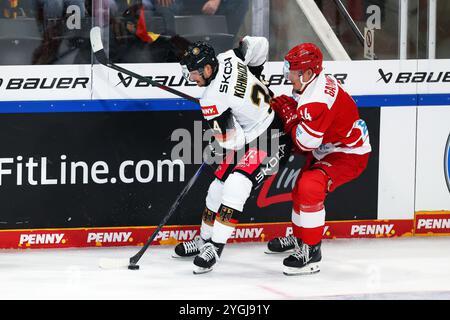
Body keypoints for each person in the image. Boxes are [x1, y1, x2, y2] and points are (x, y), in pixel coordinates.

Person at [174, 36, 293, 274]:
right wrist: (257, 75)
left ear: (208, 68)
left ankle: (215, 248)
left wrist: (225, 126)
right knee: (216, 188)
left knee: (236, 185)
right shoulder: (229, 56)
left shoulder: (211, 101)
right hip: (262, 128)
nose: (192, 78)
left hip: (271, 139)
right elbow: (260, 44)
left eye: (194, 73)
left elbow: (233, 141)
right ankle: (204, 240)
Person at [266, 43, 371, 276]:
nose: (287, 75)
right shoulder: (313, 82)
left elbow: (305, 143)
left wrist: (290, 117)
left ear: (307, 73)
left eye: (292, 71)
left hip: (348, 153)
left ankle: (311, 252)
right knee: (299, 188)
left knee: (310, 185)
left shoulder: (317, 100)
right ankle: (300, 239)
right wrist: (287, 106)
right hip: (330, 146)